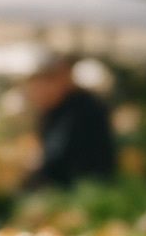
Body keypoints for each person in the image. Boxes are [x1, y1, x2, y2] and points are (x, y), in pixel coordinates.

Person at [22, 51, 117, 189]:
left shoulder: (87, 108)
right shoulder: (52, 111)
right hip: (62, 187)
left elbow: (89, 157)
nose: (36, 95)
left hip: (84, 186)